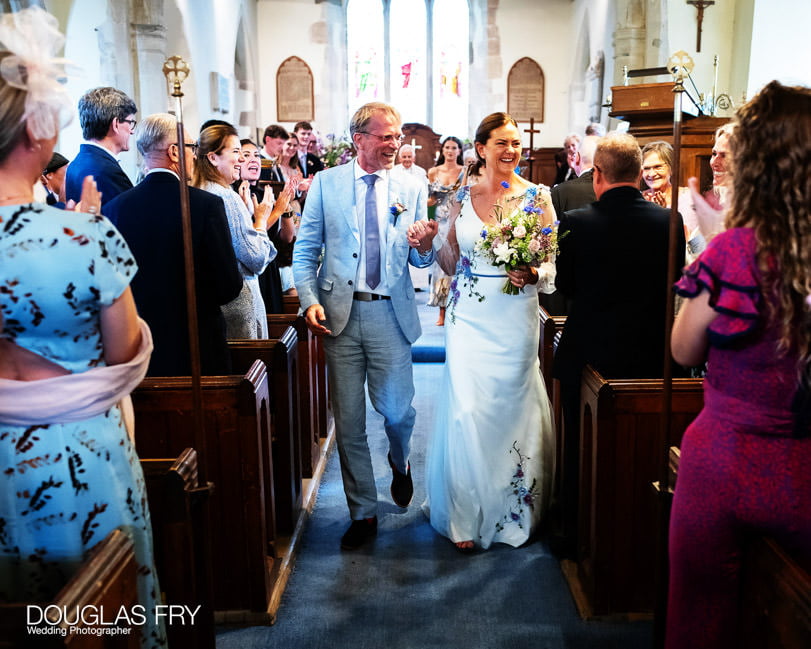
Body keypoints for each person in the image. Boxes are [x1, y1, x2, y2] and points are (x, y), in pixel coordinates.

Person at [0, 8, 165, 646]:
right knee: (101, 613)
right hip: (74, 453)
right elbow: (125, 352)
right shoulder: (82, 234)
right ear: (38, 133)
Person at [666, 80, 811, 649]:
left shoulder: (731, 250)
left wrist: (715, 240)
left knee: (700, 620)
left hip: (722, 463)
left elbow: (684, 350)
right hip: (800, 469)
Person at [292, 101, 438, 551]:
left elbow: (417, 254)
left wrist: (426, 247)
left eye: (398, 136)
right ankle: (363, 512)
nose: (395, 143)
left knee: (397, 411)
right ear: (359, 139)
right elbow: (305, 251)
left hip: (390, 313)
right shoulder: (327, 184)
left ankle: (400, 462)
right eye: (385, 136)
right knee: (350, 420)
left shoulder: (413, 184)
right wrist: (309, 300)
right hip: (339, 316)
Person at [420, 112, 557, 551]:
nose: (511, 150)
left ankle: (513, 509)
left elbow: (552, 266)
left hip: (515, 316)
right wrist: (428, 245)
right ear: (482, 149)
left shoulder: (539, 197)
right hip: (469, 317)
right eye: (502, 143)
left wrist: (533, 270)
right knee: (468, 408)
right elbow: (449, 261)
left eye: (516, 143)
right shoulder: (461, 196)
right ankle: (465, 512)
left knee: (510, 408)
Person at [552, 132, 685, 556]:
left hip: (590, 352)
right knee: (642, 449)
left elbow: (567, 287)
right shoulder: (671, 221)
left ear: (600, 176)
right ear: (636, 174)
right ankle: (639, 538)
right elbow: (675, 283)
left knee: (580, 448)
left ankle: (575, 536)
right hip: (650, 353)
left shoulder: (576, 221)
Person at [105, 113, 243, 375]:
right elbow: (228, 286)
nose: (195, 155)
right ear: (175, 152)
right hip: (197, 349)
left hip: (139, 352)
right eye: (192, 148)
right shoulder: (206, 206)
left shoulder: (114, 209)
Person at [193, 124, 274, 338]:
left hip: (213, 305)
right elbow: (255, 258)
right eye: (236, 151)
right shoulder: (226, 196)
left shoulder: (197, 191)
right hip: (239, 304)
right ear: (212, 157)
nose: (242, 159)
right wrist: (260, 220)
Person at [234, 137, 299, 309]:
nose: (254, 159)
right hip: (250, 273)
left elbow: (286, 237)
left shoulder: (264, 193)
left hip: (270, 268)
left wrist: (285, 208)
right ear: (237, 161)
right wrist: (277, 210)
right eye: (246, 155)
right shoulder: (235, 195)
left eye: (256, 155)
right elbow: (251, 237)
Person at [64, 86, 137, 206]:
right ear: (116, 124)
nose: (132, 131)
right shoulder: (107, 172)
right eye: (130, 122)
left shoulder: (75, 164)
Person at [426, 135, 465, 326]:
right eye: (447, 148)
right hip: (440, 223)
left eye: (454, 148)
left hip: (458, 221)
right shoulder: (433, 171)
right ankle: (441, 311)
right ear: (442, 150)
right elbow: (429, 200)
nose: (450, 151)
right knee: (441, 267)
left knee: (458, 265)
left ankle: (457, 308)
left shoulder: (464, 171)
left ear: (459, 151)